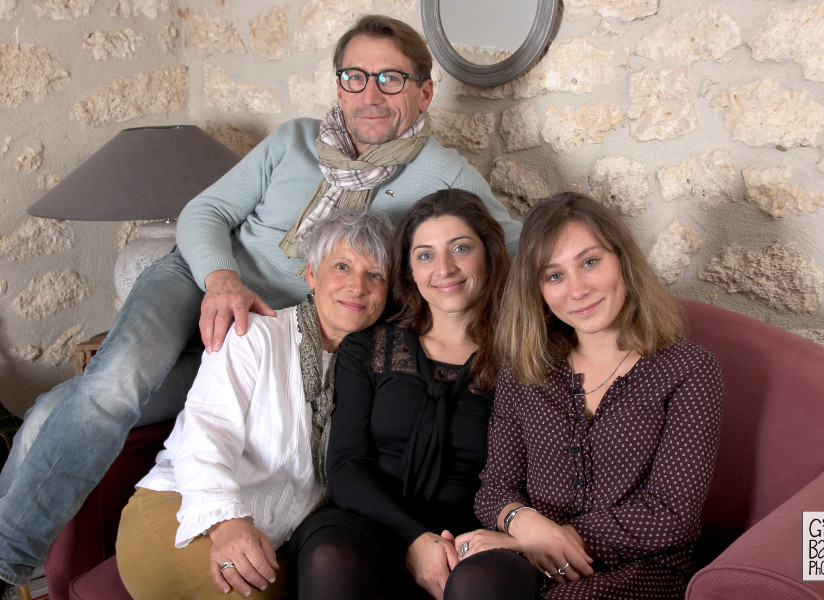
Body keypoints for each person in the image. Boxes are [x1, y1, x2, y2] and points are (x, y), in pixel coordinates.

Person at [0, 14, 521, 591]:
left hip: (264, 331)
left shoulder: (444, 173)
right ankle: (9, 560)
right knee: (112, 386)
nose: (370, 94)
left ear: (425, 92)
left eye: (391, 79)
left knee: (56, 410)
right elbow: (205, 213)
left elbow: (514, 248)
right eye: (355, 76)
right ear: (338, 85)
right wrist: (222, 280)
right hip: (198, 280)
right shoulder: (294, 141)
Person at [444, 192, 724, 600]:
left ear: (622, 262)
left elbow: (671, 516)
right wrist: (524, 525)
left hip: (642, 569)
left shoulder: (688, 369)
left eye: (590, 262)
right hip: (532, 562)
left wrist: (541, 540)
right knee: (473, 581)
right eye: (554, 276)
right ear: (537, 291)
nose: (577, 290)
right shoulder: (524, 370)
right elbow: (495, 489)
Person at [115, 210, 392, 600]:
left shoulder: (381, 369)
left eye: (375, 274)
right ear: (311, 274)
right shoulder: (255, 334)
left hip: (274, 539)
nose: (357, 286)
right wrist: (227, 524)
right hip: (186, 510)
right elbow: (207, 430)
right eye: (342, 266)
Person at [288, 188, 510, 600]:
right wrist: (414, 539)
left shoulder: (519, 354)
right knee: (330, 556)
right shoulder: (369, 347)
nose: (443, 268)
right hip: (368, 525)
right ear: (408, 269)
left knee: (483, 583)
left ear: (489, 254)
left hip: (472, 537)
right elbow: (347, 464)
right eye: (425, 254)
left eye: (460, 248)